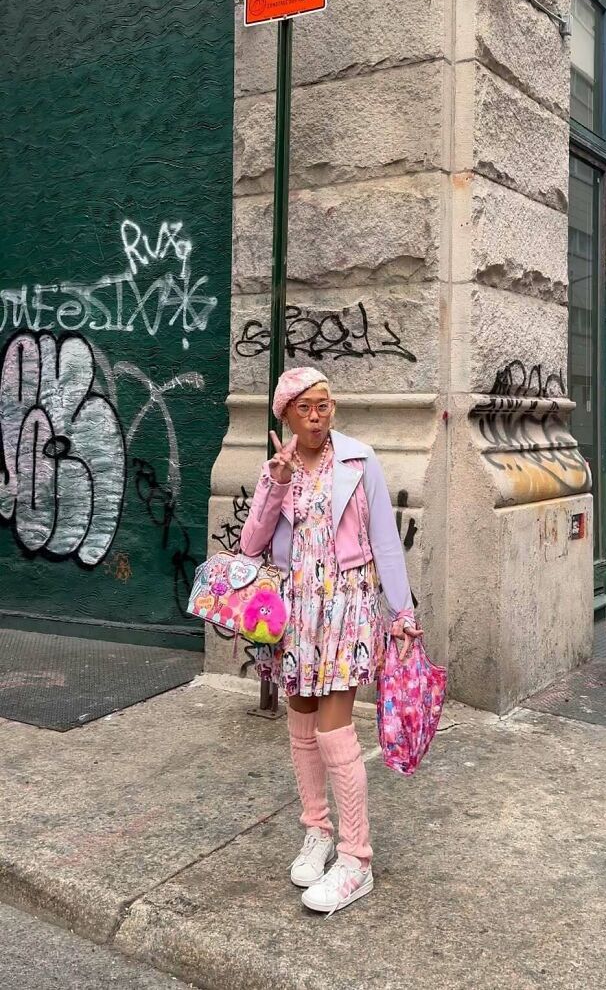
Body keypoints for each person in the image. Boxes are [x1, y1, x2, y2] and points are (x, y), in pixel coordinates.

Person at [239, 365, 421, 916]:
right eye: (306, 408)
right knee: (301, 723)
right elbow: (251, 544)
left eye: (325, 405)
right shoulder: (282, 468)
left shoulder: (359, 459)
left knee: (335, 728)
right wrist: (275, 483)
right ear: (286, 415)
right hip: (296, 614)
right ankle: (316, 830)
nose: (317, 417)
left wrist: (402, 611)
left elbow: (386, 539)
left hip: (347, 607)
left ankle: (356, 859)